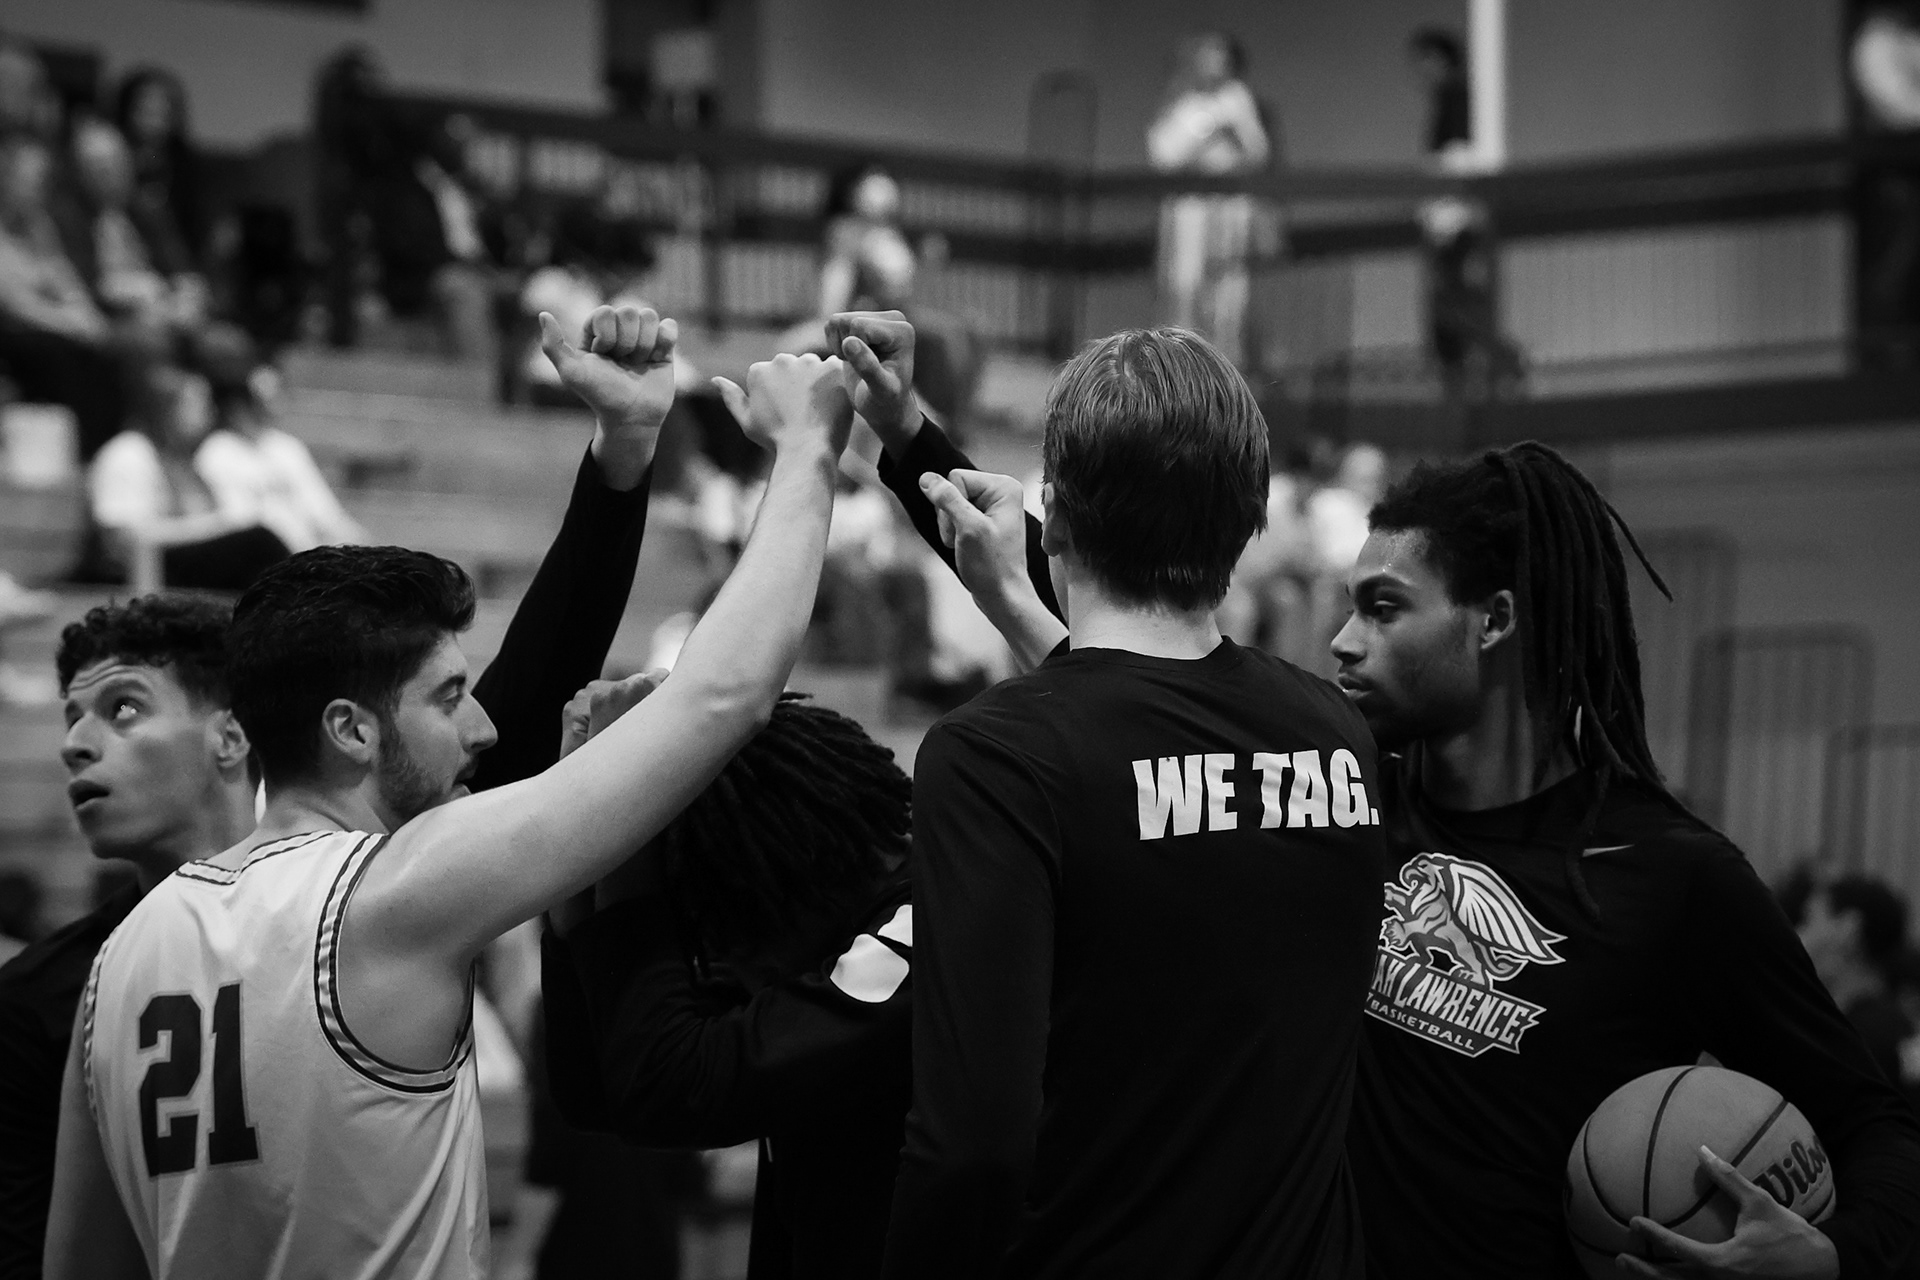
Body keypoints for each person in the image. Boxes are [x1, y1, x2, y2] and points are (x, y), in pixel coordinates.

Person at [43, 308, 853, 1279]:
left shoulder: (119, 961)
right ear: (350, 728)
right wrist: (807, 449)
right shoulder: (393, 893)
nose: (481, 729)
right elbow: (723, 694)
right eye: (450, 698)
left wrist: (622, 452)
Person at [1325, 445, 1920, 1278]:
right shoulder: (1346, 808)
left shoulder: (1671, 874)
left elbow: (1879, 1129)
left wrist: (1829, 1258)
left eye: (1383, 608)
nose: (1343, 641)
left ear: (1493, 620)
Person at [878, 323, 1386, 1280]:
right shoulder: (1335, 734)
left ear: (1056, 519)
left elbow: (973, 1144)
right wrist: (909, 436)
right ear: (1248, 521)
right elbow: (1134, 725)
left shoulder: (996, 760)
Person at [541, 691, 914, 1280]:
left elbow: (665, 1086)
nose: (728, 961)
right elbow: (600, 1093)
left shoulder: (931, 920)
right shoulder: (800, 935)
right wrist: (578, 838)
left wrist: (630, 804)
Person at [0, 594, 256, 1280]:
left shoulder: (353, 912)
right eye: (71, 717)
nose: (74, 743)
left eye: (122, 708)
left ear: (231, 735)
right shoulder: (35, 996)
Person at [85, 368, 293, 590]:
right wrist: (214, 526)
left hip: (184, 563)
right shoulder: (128, 453)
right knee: (258, 542)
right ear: (166, 408)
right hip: (145, 569)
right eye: (198, 404)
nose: (210, 413)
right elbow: (124, 538)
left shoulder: (185, 459)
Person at [0, 131, 129, 460]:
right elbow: (15, 304)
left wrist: (89, 318)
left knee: (107, 353)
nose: (38, 190)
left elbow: (64, 279)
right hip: (13, 329)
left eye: (42, 181)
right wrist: (69, 325)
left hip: (45, 324)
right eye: (29, 180)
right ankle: (75, 457)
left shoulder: (39, 224)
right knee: (60, 356)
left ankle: (103, 459)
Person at [1147, 32, 1271, 368]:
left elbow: (1258, 152)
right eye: (1209, 55)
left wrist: (1232, 129)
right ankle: (1182, 366)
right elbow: (1163, 154)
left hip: (1230, 207)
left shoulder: (1238, 98)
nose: (1215, 64)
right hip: (1191, 208)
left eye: (1222, 56)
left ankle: (1227, 369)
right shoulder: (1182, 101)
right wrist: (1206, 130)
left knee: (1229, 292)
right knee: (1186, 286)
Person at [1792, 874, 1919, 1104]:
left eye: (1807, 920)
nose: (1797, 935)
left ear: (1849, 929)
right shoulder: (1890, 1026)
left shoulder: (1857, 1043)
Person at [112, 67, 205, 271]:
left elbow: (193, 228)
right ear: (127, 108)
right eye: (145, 109)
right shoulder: (110, 151)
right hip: (119, 251)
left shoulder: (185, 163)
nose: (153, 120)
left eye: (162, 112)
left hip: (172, 260)